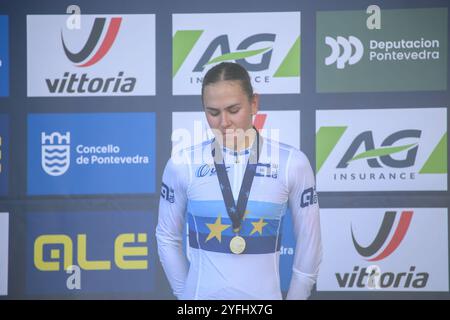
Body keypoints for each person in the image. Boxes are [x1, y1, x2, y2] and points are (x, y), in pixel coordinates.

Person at [156, 62, 322, 300]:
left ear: (254, 103)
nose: (223, 122)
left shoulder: (291, 163)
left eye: (233, 110)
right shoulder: (182, 164)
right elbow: (166, 237)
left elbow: (310, 241)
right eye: (213, 113)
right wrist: (188, 297)